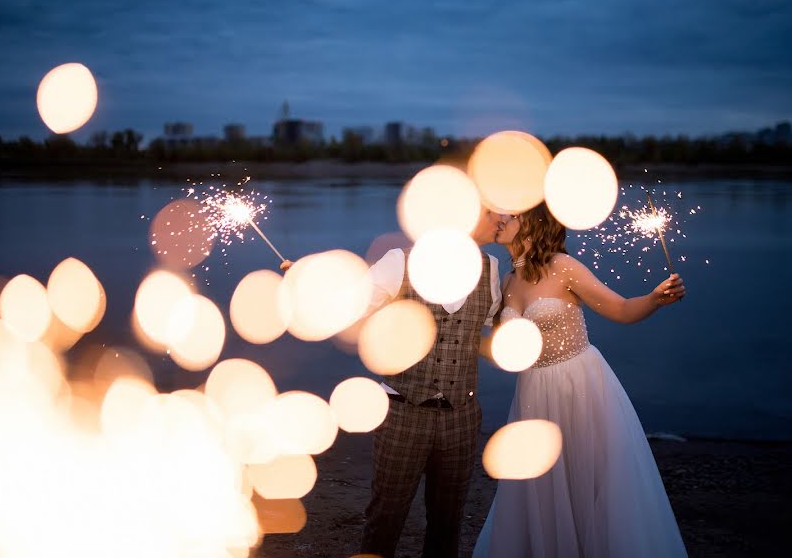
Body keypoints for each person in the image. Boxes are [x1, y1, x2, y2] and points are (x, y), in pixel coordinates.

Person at [472, 203, 688, 558]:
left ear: (531, 221)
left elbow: (620, 309)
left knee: (588, 481)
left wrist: (653, 300)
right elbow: (504, 351)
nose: (498, 220)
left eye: (508, 215)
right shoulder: (506, 282)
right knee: (539, 486)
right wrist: (453, 337)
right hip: (533, 396)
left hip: (580, 388)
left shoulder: (563, 267)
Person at [283, 208, 503, 557]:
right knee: (387, 514)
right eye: (492, 212)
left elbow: (485, 331)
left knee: (449, 521)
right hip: (403, 412)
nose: (500, 218)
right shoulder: (400, 262)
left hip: (461, 416)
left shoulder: (490, 269)